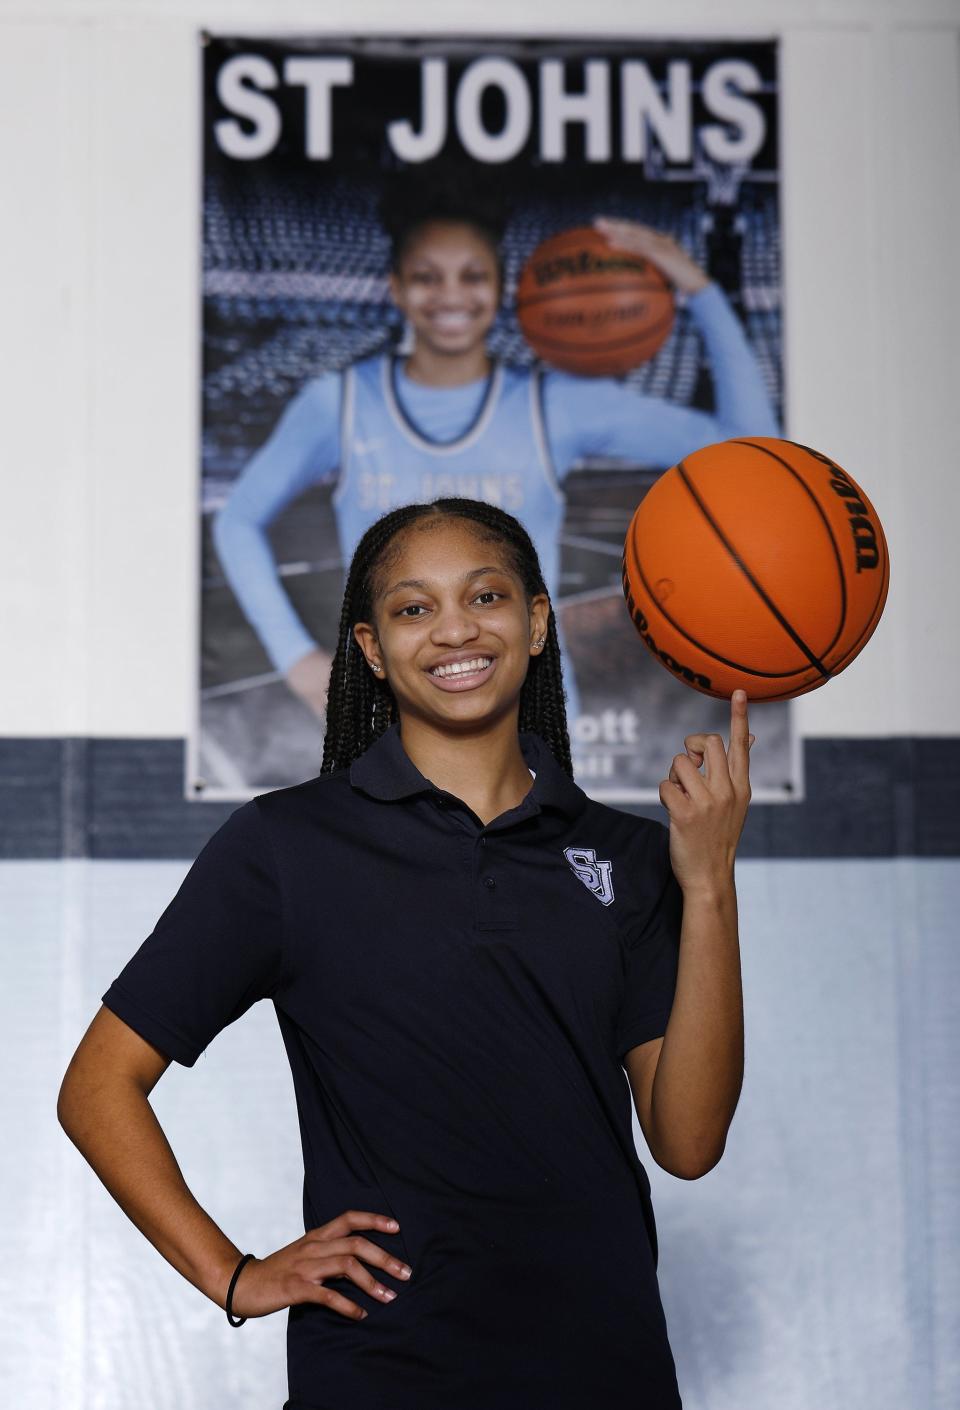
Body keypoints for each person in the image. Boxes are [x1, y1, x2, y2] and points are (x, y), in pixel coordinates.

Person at [58, 497, 753, 1409]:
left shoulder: (625, 857)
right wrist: (234, 1276)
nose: (455, 629)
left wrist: (707, 885)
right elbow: (96, 1087)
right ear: (373, 649)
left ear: (538, 622)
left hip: (603, 1368)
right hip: (383, 1375)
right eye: (413, 608)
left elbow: (689, 1143)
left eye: (487, 596)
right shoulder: (286, 847)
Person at [211, 168, 779, 745]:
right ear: (397, 288)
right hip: (383, 734)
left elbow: (751, 446)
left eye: (472, 276)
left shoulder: (555, 405)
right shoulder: (339, 403)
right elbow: (237, 520)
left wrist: (696, 287)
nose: (451, 295)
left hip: (530, 737)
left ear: (503, 287)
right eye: (427, 277)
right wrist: (296, 659)